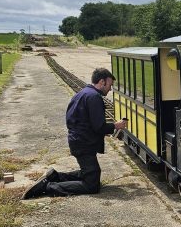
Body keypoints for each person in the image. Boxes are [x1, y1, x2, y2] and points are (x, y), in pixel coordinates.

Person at [22, 68, 127, 199]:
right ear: (102, 82)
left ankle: (55, 176)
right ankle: (47, 187)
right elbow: (99, 127)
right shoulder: (94, 97)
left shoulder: (83, 93)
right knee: (92, 185)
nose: (110, 89)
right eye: (110, 85)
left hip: (78, 140)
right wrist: (116, 125)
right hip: (84, 143)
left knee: (91, 173)